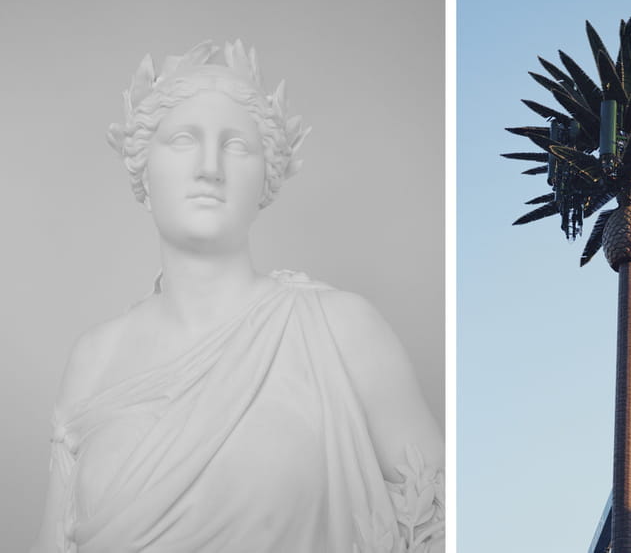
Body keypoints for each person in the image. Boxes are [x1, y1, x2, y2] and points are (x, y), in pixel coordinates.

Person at [29, 40, 444, 553]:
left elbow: (444, 522)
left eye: (237, 146)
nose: (210, 167)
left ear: (266, 174)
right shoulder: (94, 359)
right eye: (183, 139)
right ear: (143, 167)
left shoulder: (340, 331)